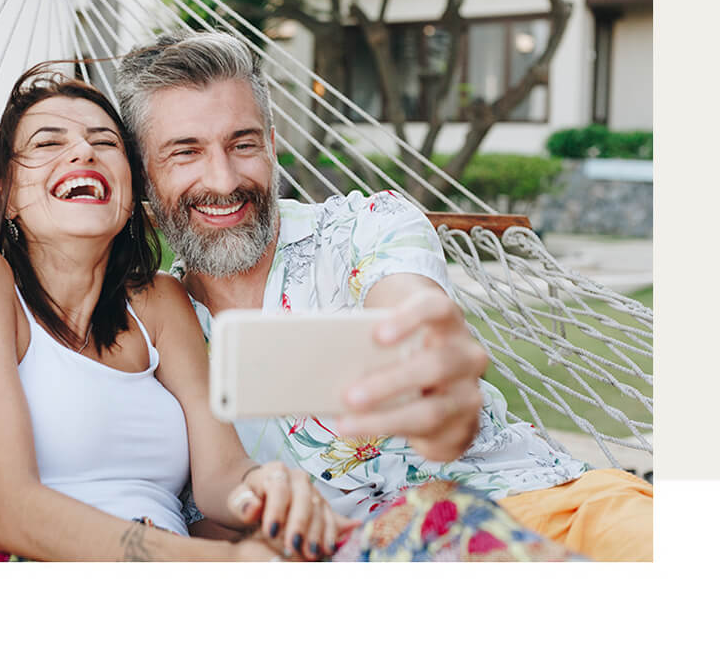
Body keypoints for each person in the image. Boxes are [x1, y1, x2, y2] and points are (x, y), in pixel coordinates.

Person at [114, 30, 653, 562]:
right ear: (142, 178)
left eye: (244, 144)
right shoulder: (155, 328)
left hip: (544, 505)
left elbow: (411, 307)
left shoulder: (366, 228)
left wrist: (439, 381)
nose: (224, 178)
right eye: (185, 153)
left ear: (273, 147)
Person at [0, 61, 356, 562]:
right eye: (48, 143)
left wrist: (267, 487)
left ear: (132, 191)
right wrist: (223, 566)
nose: (83, 150)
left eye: (105, 142)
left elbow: (220, 476)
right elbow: (10, 510)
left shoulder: (160, 303)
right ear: (3, 194)